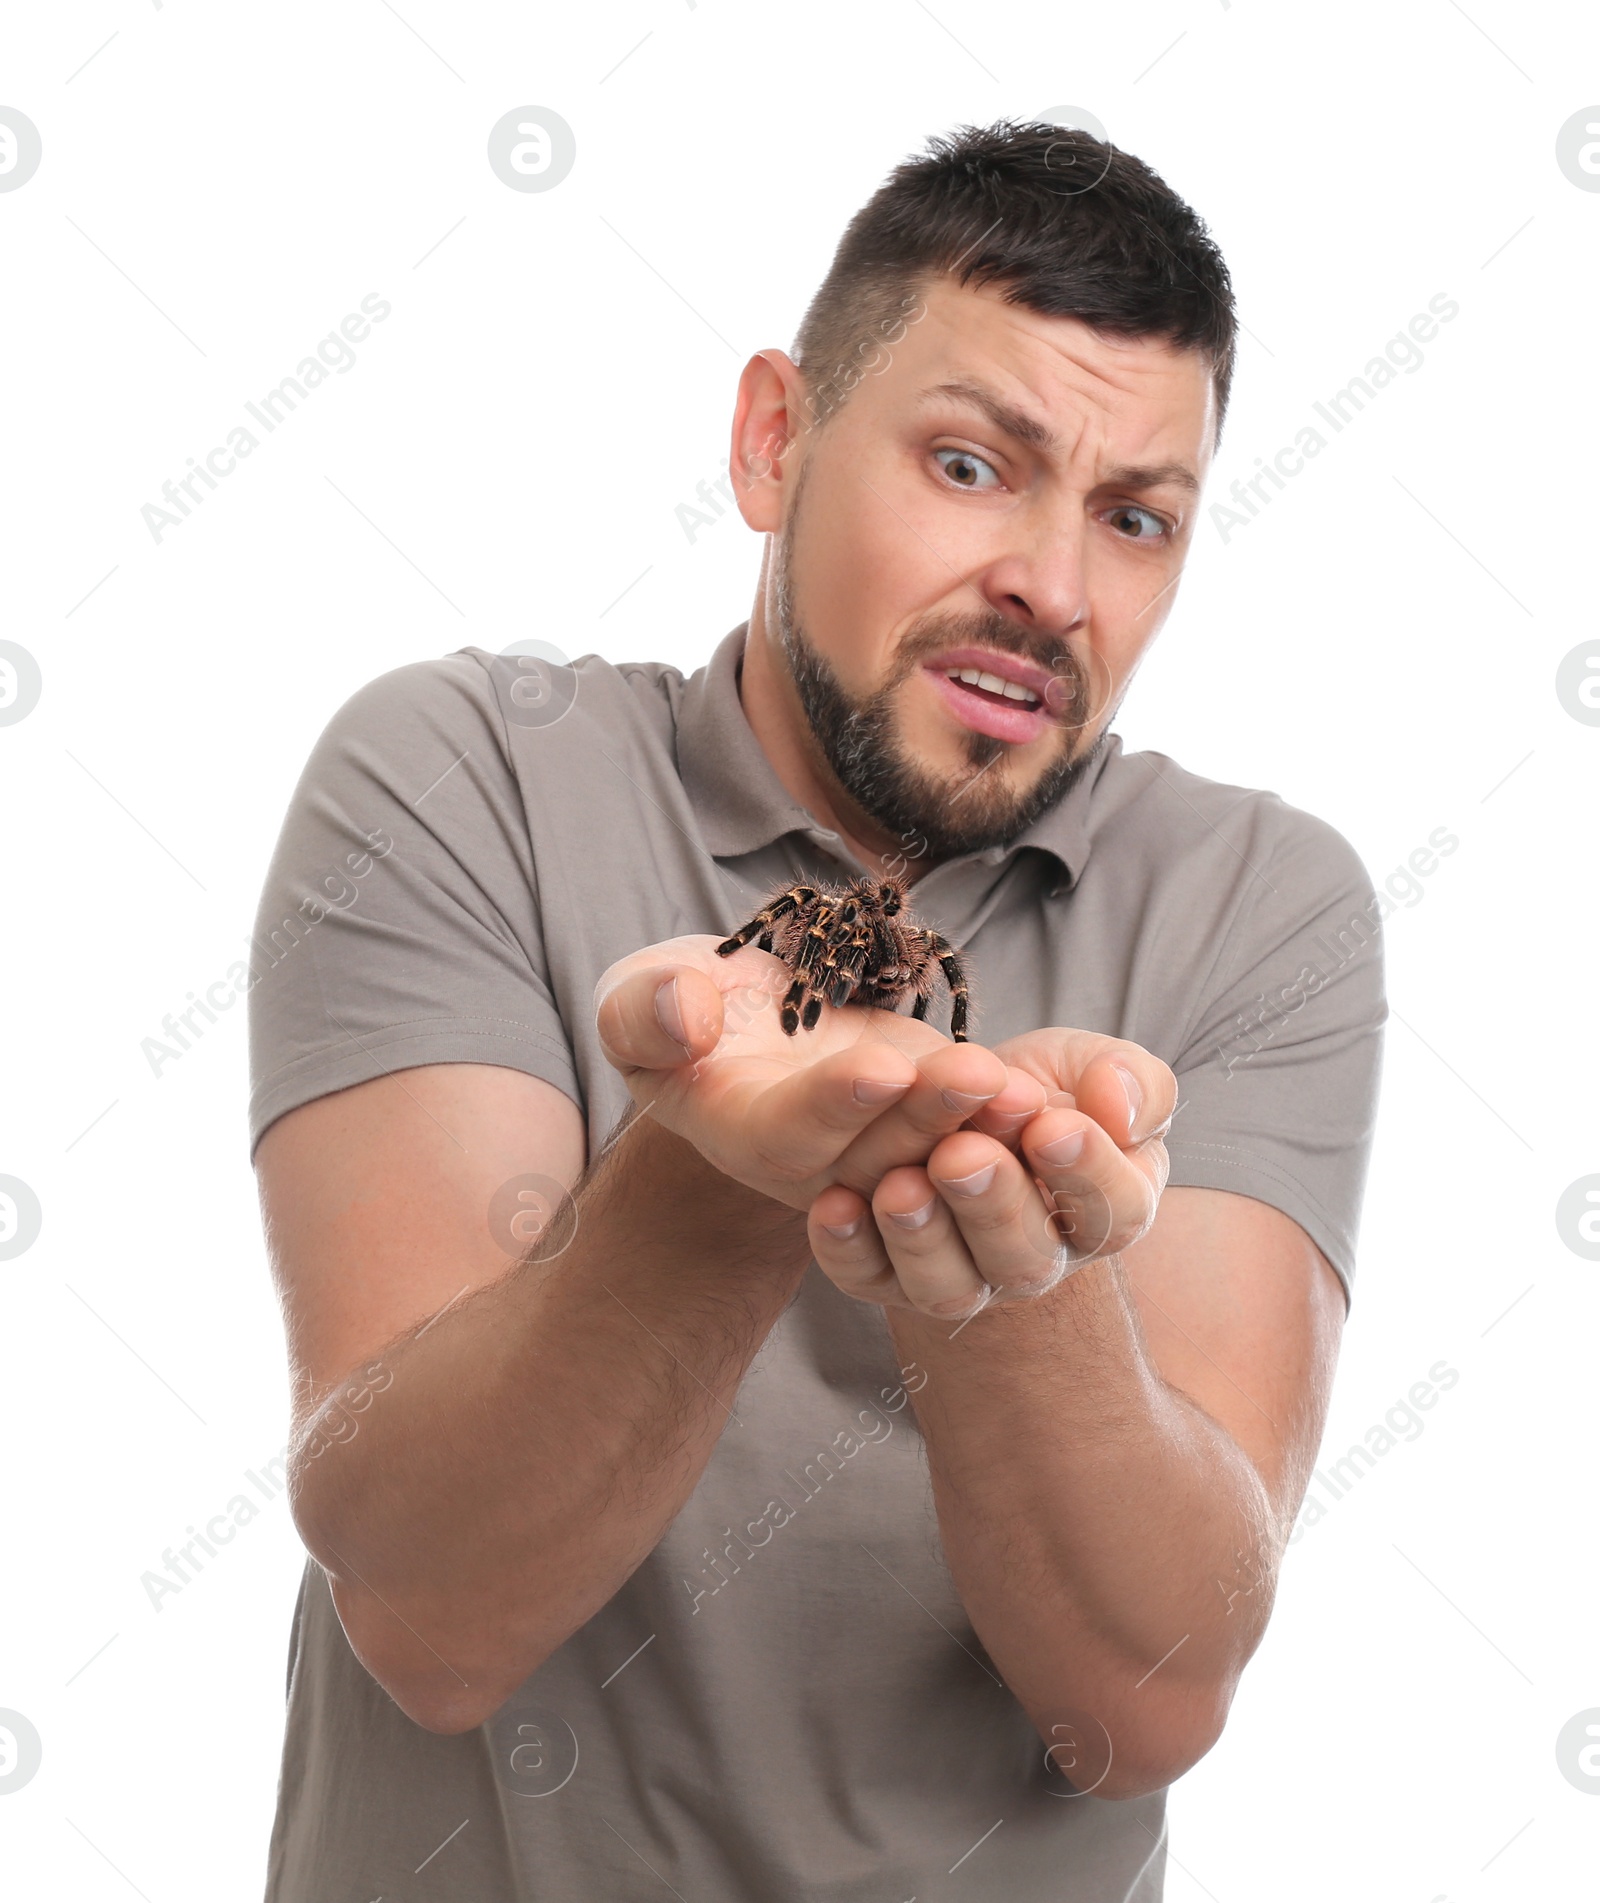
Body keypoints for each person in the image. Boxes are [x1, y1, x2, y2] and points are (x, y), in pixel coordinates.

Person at [247, 120, 1385, 1901]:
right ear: (775, 441)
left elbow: (1145, 1707)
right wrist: (709, 1166)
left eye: (1135, 516)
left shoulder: (1263, 909)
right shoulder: (463, 774)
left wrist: (1013, 1244)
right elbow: (428, 1616)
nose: (1054, 587)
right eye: (966, 463)